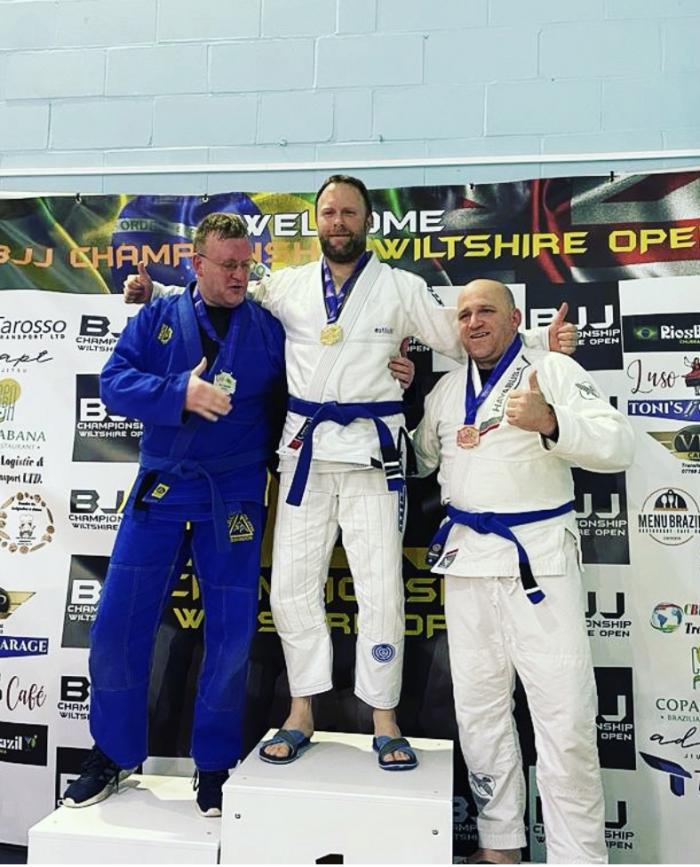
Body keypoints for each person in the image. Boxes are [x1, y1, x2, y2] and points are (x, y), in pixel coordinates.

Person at [124, 176, 577, 770]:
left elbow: (463, 334)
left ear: (367, 221)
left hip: (373, 457)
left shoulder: (400, 287)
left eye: (349, 212)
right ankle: (301, 710)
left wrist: (541, 339)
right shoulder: (286, 285)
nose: (338, 221)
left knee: (381, 588)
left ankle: (384, 718)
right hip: (304, 454)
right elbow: (224, 289)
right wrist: (154, 288)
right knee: (292, 587)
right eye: (329, 212)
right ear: (317, 222)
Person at [62, 213, 287, 816]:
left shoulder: (267, 328)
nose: (240, 276)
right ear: (198, 264)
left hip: (233, 496)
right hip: (162, 489)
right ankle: (112, 754)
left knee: (231, 636)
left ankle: (214, 763)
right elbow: (113, 383)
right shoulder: (158, 317)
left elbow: (301, 395)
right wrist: (176, 393)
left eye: (247, 265)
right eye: (229, 265)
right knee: (115, 628)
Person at [413, 279, 634, 863]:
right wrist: (391, 391)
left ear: (515, 320)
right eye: (464, 314)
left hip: (539, 564)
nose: (474, 322)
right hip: (467, 566)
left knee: (565, 719)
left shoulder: (553, 370)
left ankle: (578, 856)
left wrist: (550, 422)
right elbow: (422, 458)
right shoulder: (445, 392)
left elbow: (619, 444)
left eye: (487, 310)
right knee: (479, 716)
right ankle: (500, 846)